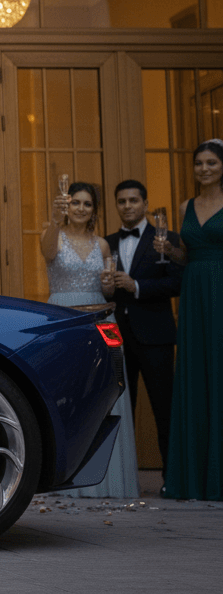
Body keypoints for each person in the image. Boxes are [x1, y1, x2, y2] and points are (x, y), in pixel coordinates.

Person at [42, 181, 138, 498]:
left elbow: (108, 291)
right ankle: (63, 480)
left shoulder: (103, 246)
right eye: (76, 203)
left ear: (94, 210)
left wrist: (110, 285)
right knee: (68, 393)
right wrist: (55, 219)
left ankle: (110, 480)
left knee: (105, 392)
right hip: (65, 320)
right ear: (66, 207)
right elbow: (47, 252)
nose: (81, 209)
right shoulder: (52, 234)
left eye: (87, 204)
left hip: (101, 320)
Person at [158, 139, 223, 500]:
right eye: (199, 163)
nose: (204, 169)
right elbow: (186, 255)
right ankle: (194, 476)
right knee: (196, 375)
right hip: (194, 292)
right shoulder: (186, 205)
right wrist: (171, 251)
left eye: (211, 162)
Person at [105, 179, 182, 474]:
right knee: (121, 409)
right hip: (117, 338)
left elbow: (176, 283)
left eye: (133, 201)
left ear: (145, 205)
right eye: (122, 201)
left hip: (156, 336)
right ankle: (123, 476)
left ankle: (172, 476)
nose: (127, 206)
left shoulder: (167, 240)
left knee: (165, 409)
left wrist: (137, 286)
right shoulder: (107, 242)